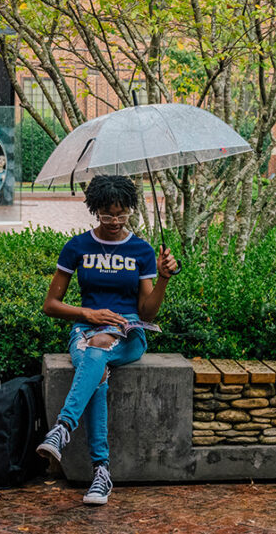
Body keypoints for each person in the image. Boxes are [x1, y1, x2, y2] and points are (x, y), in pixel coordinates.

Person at [35, 174, 177, 505]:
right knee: (96, 367)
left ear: (131, 209)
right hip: (85, 331)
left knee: (98, 349)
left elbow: (148, 311)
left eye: (122, 213)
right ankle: (102, 473)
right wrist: (89, 314)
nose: (114, 221)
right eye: (107, 214)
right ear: (95, 210)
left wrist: (164, 280)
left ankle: (63, 428)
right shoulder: (77, 247)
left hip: (128, 335)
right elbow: (50, 305)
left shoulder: (141, 250)